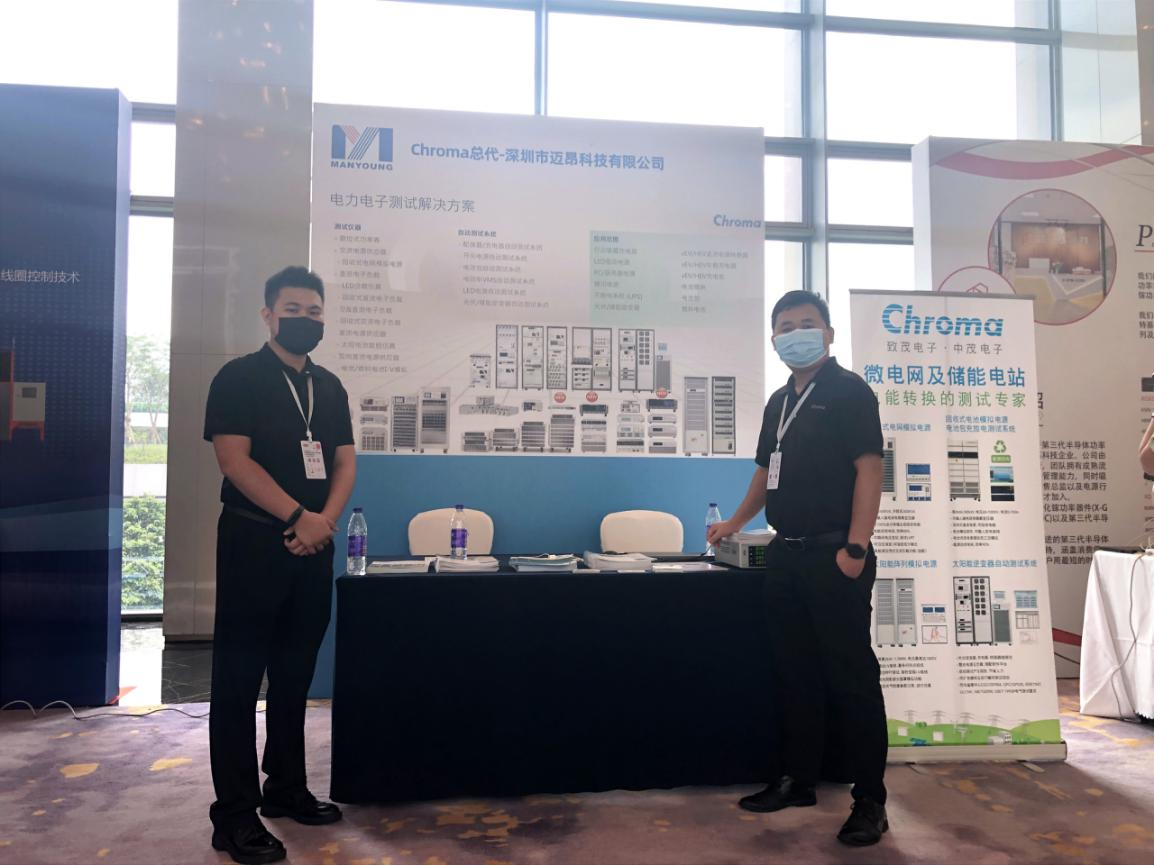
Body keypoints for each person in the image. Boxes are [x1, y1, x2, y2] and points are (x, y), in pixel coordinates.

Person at [707, 289, 889, 847]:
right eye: (785, 327)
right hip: (786, 554)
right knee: (795, 674)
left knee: (853, 680)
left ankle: (870, 801)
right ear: (774, 339)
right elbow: (767, 472)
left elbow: (870, 469)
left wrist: (856, 548)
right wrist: (734, 522)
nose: (796, 334)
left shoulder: (850, 392)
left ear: (828, 334)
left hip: (836, 555)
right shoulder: (779, 402)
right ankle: (798, 780)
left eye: (807, 324)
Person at [203, 266, 356, 865]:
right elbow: (233, 461)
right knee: (238, 683)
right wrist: (298, 516)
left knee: (294, 675)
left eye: (315, 311)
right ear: (268, 314)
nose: (305, 319)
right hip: (254, 541)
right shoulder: (238, 377)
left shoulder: (330, 386)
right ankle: (234, 815)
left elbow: (344, 461)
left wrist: (323, 522)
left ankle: (286, 788)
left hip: (313, 546)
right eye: (293, 309)